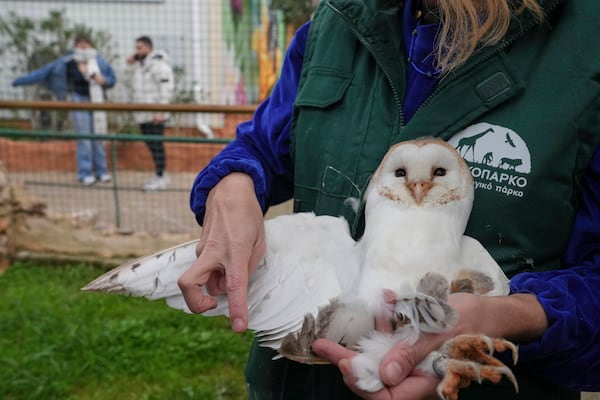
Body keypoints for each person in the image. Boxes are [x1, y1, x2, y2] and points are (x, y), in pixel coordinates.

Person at [181, 0, 600, 399]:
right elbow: (265, 144)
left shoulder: (586, 40)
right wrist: (234, 180)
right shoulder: (340, 19)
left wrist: (511, 316)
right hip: (298, 385)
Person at [12, 34, 116, 186]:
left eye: (86, 43)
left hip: (97, 101)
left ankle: (101, 171)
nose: (83, 46)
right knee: (84, 138)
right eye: (80, 43)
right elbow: (42, 73)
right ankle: (85, 173)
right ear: (75, 46)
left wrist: (103, 80)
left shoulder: (99, 61)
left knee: (98, 137)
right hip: (78, 100)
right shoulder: (66, 62)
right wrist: (19, 81)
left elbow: (112, 79)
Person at [126, 35, 175, 191]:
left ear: (148, 48)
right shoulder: (139, 66)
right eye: (136, 48)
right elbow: (126, 81)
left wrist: (161, 111)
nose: (137, 51)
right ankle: (159, 174)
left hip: (155, 114)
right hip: (143, 114)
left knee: (157, 145)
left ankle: (162, 176)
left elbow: (166, 89)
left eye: (140, 48)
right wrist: (129, 65)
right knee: (151, 145)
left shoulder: (160, 65)